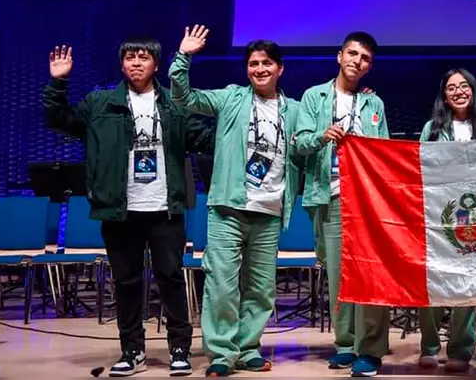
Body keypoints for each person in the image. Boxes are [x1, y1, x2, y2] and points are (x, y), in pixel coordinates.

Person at [43, 38, 214, 377]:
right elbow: (59, 118)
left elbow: (207, 138)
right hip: (121, 210)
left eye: (144, 57)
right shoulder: (100, 103)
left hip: (165, 209)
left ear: (156, 64)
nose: (137, 63)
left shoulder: (175, 105)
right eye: (130, 57)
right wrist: (58, 82)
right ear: (122, 65)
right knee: (126, 281)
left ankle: (179, 348)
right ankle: (131, 350)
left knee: (171, 279)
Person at [167, 26, 303, 377]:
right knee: (222, 285)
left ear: (280, 68)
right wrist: (184, 57)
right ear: (247, 69)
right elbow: (184, 98)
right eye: (254, 63)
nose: (260, 69)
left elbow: (327, 114)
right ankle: (222, 352)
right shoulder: (231, 98)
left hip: (270, 211)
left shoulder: (296, 110)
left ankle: (248, 347)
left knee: (260, 289)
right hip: (228, 207)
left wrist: (366, 94)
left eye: (267, 63)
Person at [293, 31, 391, 377]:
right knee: (339, 276)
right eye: (352, 54)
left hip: (367, 201)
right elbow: (299, 144)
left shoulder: (373, 103)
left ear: (369, 66)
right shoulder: (313, 97)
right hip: (329, 195)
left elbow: (386, 152)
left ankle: (372, 348)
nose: (357, 61)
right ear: (339, 56)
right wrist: (322, 136)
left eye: (364, 58)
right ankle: (346, 345)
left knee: (371, 275)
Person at [417, 69, 476, 374]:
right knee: (432, 283)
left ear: (473, 90)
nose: (459, 91)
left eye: (464, 85)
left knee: (466, 284)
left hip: (474, 217)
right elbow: (420, 169)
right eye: (452, 87)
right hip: (437, 217)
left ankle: (461, 349)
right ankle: (428, 346)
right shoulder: (432, 129)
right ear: (444, 95)